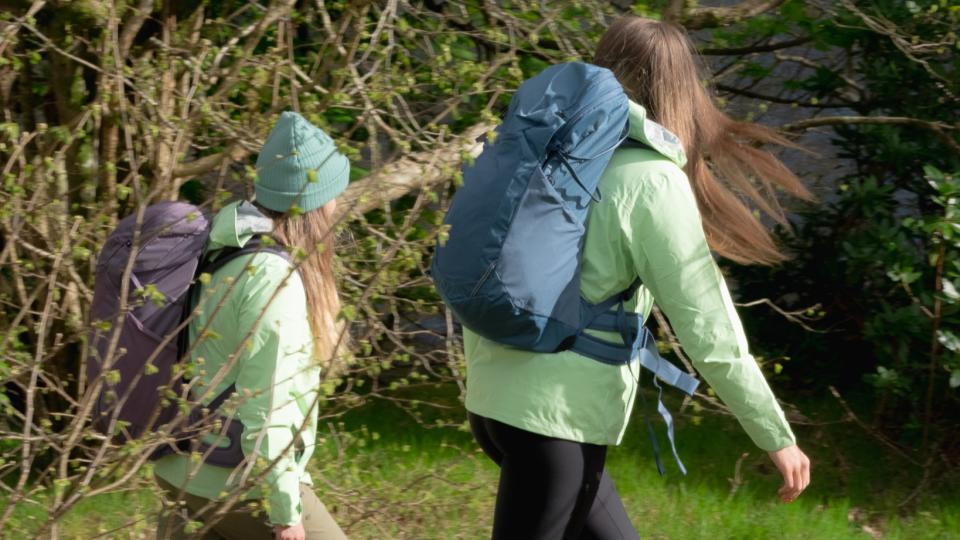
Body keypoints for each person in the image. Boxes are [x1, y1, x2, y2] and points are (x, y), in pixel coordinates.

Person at [463, 16, 813, 540]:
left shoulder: (546, 151)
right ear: (680, 90)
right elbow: (706, 324)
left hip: (499, 399)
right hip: (557, 419)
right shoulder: (652, 180)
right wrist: (774, 434)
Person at [154, 111, 350, 540]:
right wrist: (285, 513)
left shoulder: (226, 247)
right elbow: (269, 404)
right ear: (316, 206)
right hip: (236, 482)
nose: (340, 206)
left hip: (181, 468)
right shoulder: (273, 280)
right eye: (335, 194)